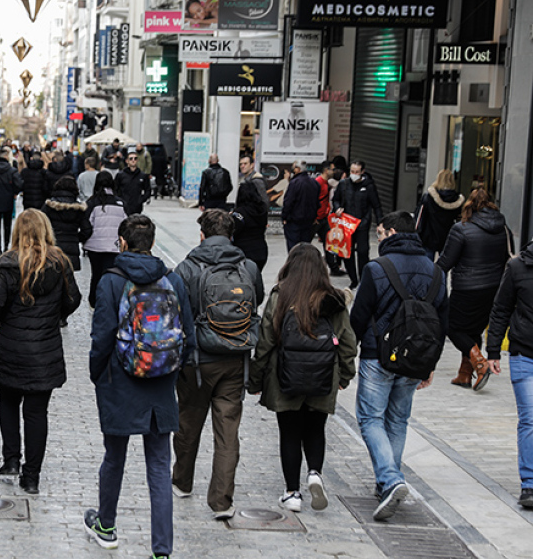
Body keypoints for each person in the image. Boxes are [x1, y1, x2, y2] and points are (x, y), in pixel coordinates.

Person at [84, 215, 196, 559]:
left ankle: (106, 525)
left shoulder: (111, 281)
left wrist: (96, 374)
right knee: (160, 467)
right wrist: (170, 369)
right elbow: (188, 337)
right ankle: (161, 550)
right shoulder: (173, 279)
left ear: (121, 242)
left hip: (120, 381)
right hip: (161, 385)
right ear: (152, 243)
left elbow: (102, 336)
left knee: (114, 458)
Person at [350, 211, 448, 521]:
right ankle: (386, 483)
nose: (378, 238)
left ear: (392, 232)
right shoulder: (436, 272)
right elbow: (442, 322)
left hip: (377, 356)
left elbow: (359, 315)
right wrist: (430, 363)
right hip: (415, 358)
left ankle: (391, 479)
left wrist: (346, 354)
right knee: (397, 420)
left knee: (369, 418)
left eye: (379, 233)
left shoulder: (376, 268)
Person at [249, 244, 357, 512]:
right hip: (323, 376)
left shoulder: (280, 297)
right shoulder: (333, 300)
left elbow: (265, 342)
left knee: (289, 433)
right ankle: (315, 473)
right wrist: (345, 374)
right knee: (315, 429)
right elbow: (347, 342)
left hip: (285, 377)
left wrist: (256, 378)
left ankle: (292, 493)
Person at [172, 209, 263, 519]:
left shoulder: (187, 267)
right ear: (231, 235)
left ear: (202, 235)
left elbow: (176, 310)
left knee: (188, 423)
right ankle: (221, 501)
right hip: (236, 359)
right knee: (227, 432)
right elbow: (256, 301)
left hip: (197, 361)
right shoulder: (248, 267)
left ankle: (182, 482)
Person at [0, 210, 81, 494]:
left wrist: (5, 318)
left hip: (11, 347)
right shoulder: (59, 262)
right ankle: (32, 476)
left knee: (9, 401)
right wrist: (53, 315)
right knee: (37, 413)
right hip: (44, 351)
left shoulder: (8, 264)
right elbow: (72, 300)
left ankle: (11, 460)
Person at [436, 189, 513, 390]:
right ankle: (464, 374)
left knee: (452, 328)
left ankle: (479, 363)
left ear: (469, 204)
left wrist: (432, 277)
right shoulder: (503, 228)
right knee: (474, 330)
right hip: (493, 288)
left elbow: (446, 261)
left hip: (466, 288)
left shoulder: (461, 228)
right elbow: (507, 259)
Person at [486, 237, 533, 509]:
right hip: (524, 353)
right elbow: (501, 308)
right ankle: (529, 484)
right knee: (529, 419)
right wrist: (493, 350)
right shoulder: (517, 268)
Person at [333, 161, 383, 288]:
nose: (354, 174)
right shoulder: (344, 184)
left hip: (362, 224)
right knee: (347, 252)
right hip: (346, 224)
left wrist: (380, 223)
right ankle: (353, 279)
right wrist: (337, 208)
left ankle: (363, 277)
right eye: (352, 171)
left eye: (356, 172)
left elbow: (376, 205)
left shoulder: (369, 186)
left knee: (363, 251)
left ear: (362, 172)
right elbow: (336, 199)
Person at [83, 171, 127, 308]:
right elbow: (126, 224)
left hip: (94, 246)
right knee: (110, 274)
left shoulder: (91, 203)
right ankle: (109, 300)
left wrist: (83, 240)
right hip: (114, 246)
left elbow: (86, 225)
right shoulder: (120, 203)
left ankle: (94, 299)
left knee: (96, 273)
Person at [42, 176, 92, 271]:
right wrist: (76, 238)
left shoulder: (49, 206)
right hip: (72, 247)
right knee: (69, 279)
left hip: (53, 246)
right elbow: (87, 230)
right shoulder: (79, 209)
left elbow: (40, 225)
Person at [415, 169, 465, 261]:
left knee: (427, 266)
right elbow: (459, 220)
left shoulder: (428, 197)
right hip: (447, 238)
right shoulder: (457, 200)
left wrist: (416, 234)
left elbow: (419, 218)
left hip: (428, 237)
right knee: (443, 266)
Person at [0, 149, 23, 256]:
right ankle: (6, 246)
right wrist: (14, 192)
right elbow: (19, 185)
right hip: (8, 200)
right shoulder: (11, 170)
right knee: (7, 225)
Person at [231, 177, 269, 272]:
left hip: (244, 252)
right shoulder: (262, 210)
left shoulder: (239, 214)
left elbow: (233, 232)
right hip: (261, 251)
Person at [281, 160, 320, 251]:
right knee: (305, 248)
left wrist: (284, 217)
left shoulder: (295, 183)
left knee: (294, 249)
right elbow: (317, 202)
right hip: (308, 222)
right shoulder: (314, 183)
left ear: (298, 169)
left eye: (293, 168)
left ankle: (295, 264)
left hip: (294, 221)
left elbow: (288, 202)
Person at [115, 152, 151, 216]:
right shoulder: (120, 175)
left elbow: (148, 189)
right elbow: (115, 189)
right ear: (127, 161)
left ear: (137, 160)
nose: (133, 160)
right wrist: (120, 200)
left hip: (137, 207)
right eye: (131, 158)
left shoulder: (143, 175)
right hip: (123, 206)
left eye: (135, 158)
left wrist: (141, 200)